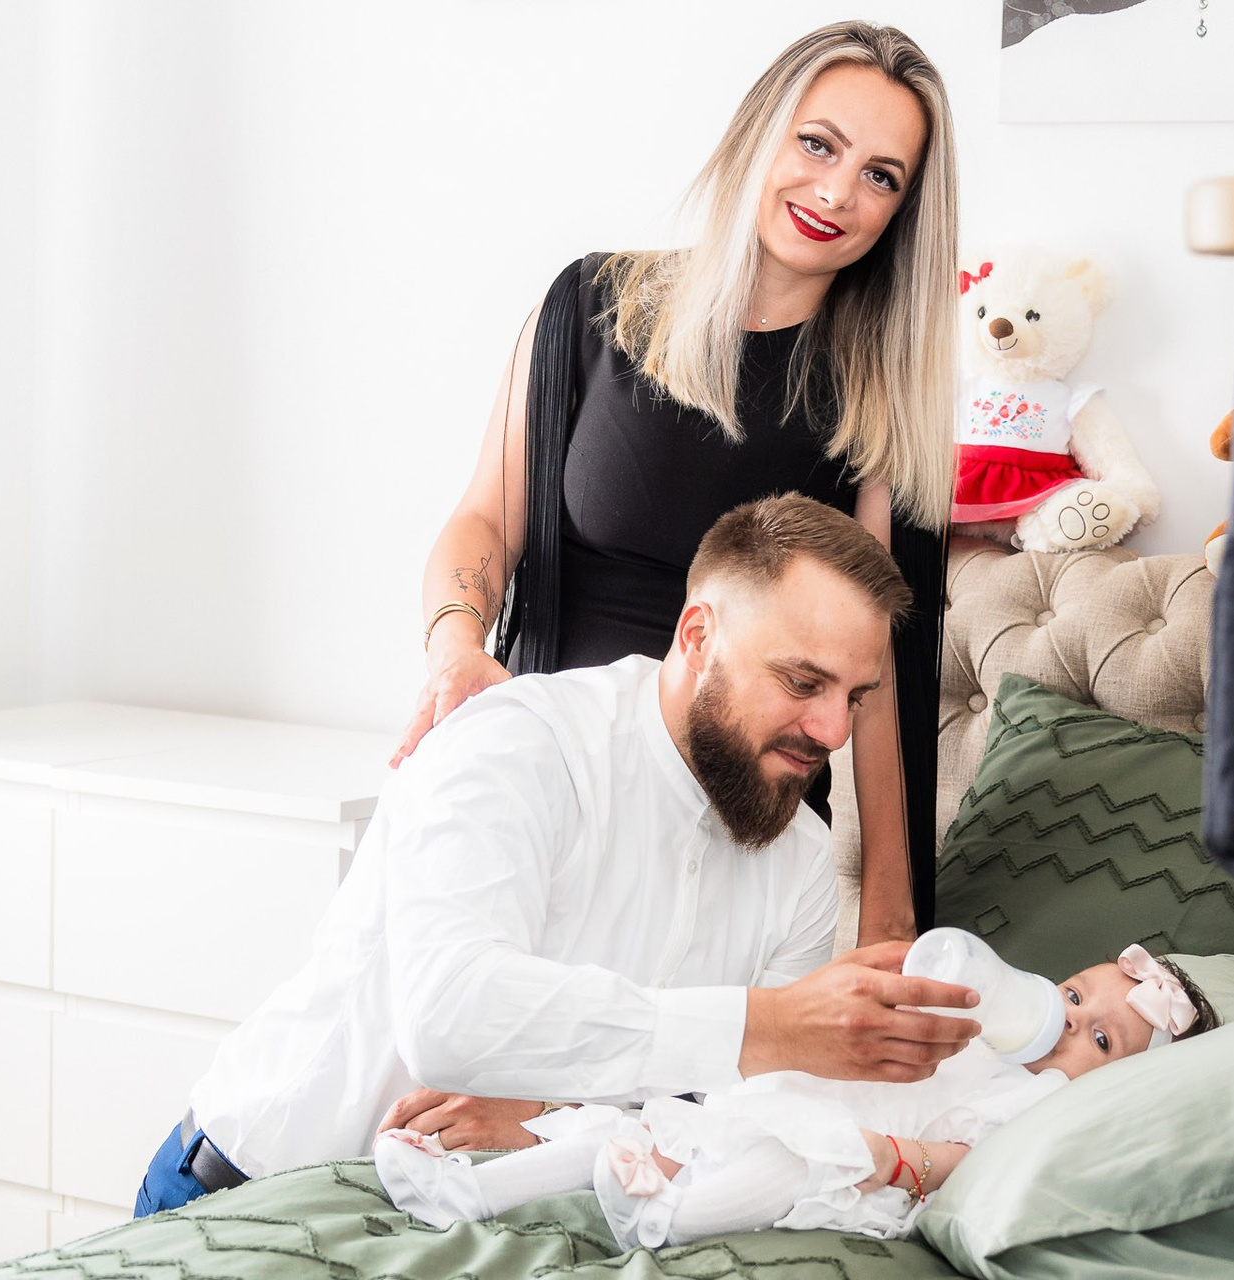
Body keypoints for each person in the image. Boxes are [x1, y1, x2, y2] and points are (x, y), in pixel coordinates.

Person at [132, 496, 983, 1218]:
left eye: (854, 697)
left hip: (449, 1228)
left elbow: (731, 1118)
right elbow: (451, 1013)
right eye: (802, 683)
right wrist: (767, 1026)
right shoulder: (519, 743)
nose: (833, 731)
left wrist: (551, 1111)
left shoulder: (799, 858)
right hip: (250, 1187)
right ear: (698, 636)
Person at [388, 20, 960, 950]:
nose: (836, 193)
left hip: (726, 838)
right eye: (819, 144)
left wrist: (890, 920)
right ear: (760, 132)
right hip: (550, 784)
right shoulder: (589, 305)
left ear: (903, 212)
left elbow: (883, 670)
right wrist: (455, 644)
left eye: (881, 176)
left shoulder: (877, 398)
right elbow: (486, 519)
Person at [376, 946, 1221, 1250]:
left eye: (1101, 1041)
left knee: (786, 1158)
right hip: (791, 1104)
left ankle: (671, 1219)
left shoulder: (1040, 1111)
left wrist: (890, 1158)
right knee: (628, 1133)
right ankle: (467, 1194)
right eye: (1074, 996)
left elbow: (962, 1161)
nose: (1070, 1022)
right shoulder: (981, 1032)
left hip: (859, 1168)